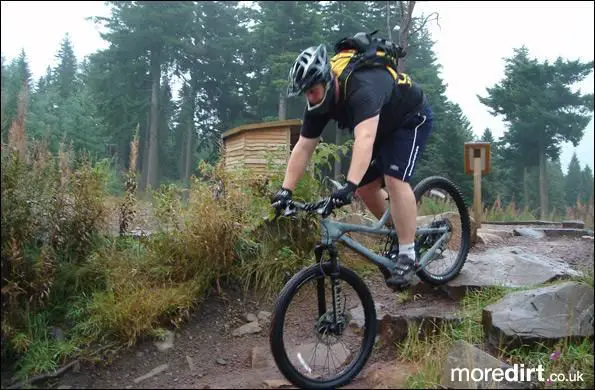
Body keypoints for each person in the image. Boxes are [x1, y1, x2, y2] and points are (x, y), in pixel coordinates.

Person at [271, 43, 434, 289]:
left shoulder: (361, 87)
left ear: (327, 80)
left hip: (410, 118)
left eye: (313, 91)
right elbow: (303, 147)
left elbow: (365, 139)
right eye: (306, 93)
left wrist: (348, 185)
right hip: (380, 126)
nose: (310, 97)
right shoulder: (318, 100)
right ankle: (400, 234)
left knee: (394, 179)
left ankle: (408, 253)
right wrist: (285, 191)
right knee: (366, 188)